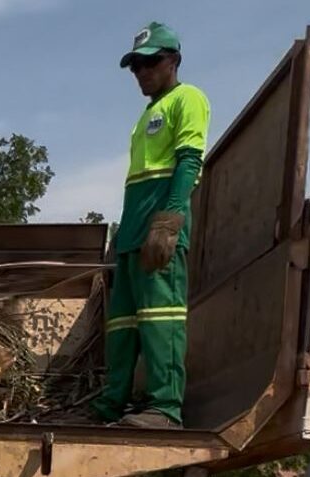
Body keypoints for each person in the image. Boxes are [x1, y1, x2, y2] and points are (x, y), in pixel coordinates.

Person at [93, 21, 210, 429]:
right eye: (135, 66)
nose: (142, 72)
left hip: (159, 230)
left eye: (150, 62)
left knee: (162, 318)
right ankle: (110, 406)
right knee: (123, 325)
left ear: (173, 60)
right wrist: (123, 238)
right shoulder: (145, 116)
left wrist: (170, 219)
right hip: (131, 235)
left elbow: (190, 161)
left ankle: (165, 408)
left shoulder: (187, 98)